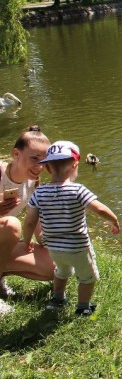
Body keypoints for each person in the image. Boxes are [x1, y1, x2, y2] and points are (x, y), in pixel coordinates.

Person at [22, 140, 120, 316]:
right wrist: (113, 220)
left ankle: (57, 299)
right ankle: (83, 307)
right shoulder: (78, 190)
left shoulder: (40, 192)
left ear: (48, 168)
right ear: (75, 165)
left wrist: (27, 241)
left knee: (61, 271)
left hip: (53, 247)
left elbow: (29, 221)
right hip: (78, 247)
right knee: (87, 277)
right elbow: (99, 208)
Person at [0, 125, 55, 315]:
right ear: (16, 153)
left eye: (44, 160)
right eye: (34, 158)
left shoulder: (32, 182)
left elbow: (37, 222)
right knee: (11, 225)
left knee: (53, 267)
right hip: (6, 231)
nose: (40, 166)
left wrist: (58, 243)